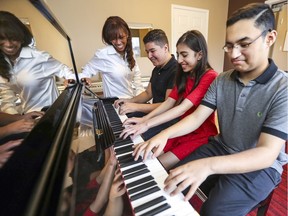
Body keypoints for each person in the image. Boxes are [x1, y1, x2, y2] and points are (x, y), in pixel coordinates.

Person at [133, 3, 288, 215]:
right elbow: (197, 118)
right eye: (229, 45)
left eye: (243, 44)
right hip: (222, 147)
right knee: (172, 181)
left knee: (213, 210)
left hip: (261, 165)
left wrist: (208, 166)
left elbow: (266, 154)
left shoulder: (283, 88)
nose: (234, 54)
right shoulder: (222, 80)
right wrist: (163, 134)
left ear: (269, 38)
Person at [122, 30, 218, 170]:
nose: (179, 60)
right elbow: (169, 102)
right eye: (178, 54)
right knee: (146, 158)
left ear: (200, 55)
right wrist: (145, 120)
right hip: (181, 129)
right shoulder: (185, 74)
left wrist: (147, 124)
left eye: (184, 55)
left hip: (200, 134)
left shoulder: (210, 76)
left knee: (156, 166)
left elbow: (182, 108)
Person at [0, 11, 76, 115]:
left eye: (13, 38)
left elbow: (64, 70)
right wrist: (16, 118)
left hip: (50, 114)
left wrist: (70, 80)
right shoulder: (2, 64)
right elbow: (6, 97)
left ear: (21, 37)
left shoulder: (38, 57)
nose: (9, 44)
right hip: (26, 117)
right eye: (2, 39)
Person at [114, 29, 178, 116]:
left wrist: (135, 107)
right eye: (147, 52)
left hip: (166, 118)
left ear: (165, 48)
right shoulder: (157, 69)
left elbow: (167, 106)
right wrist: (129, 101)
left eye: (152, 51)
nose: (149, 56)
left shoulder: (176, 70)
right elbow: (148, 93)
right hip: (155, 114)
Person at [81, 16, 144, 98]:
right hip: (115, 106)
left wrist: (140, 97)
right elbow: (85, 72)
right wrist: (85, 77)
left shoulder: (130, 52)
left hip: (132, 102)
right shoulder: (103, 54)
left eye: (121, 37)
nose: (118, 42)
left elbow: (136, 75)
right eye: (113, 39)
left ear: (127, 34)